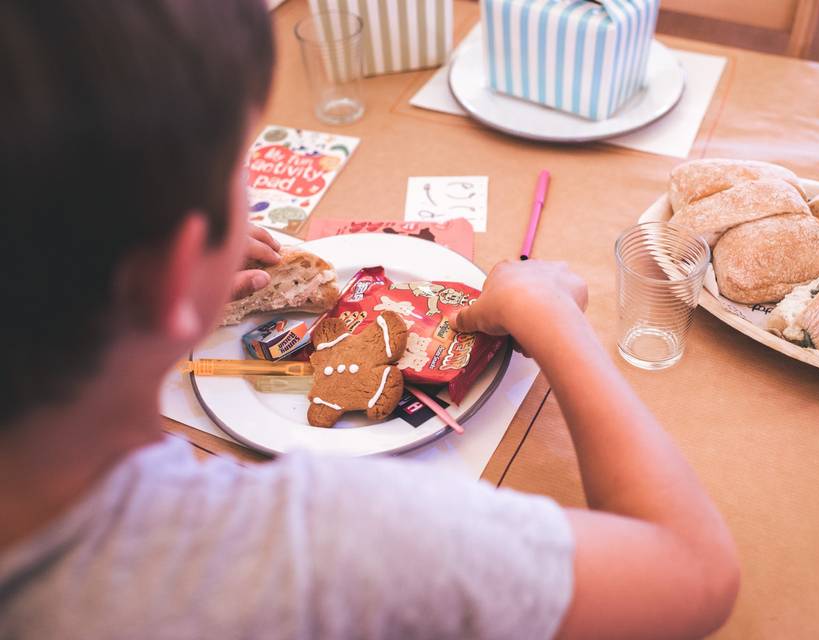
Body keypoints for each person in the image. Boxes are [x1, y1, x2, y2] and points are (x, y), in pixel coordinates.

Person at [0, 1, 739, 638]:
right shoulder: (323, 543)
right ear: (171, 271)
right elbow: (695, 575)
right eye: (242, 173)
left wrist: (158, 313)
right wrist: (558, 325)